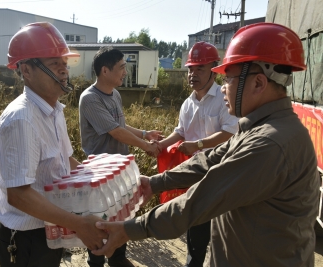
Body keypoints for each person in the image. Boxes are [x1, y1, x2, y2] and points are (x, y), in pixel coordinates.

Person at [92, 22, 320, 267]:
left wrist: (130, 229)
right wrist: (155, 183)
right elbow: (209, 159)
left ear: (258, 84)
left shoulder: (270, 143)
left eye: (229, 79)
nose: (223, 89)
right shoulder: (258, 128)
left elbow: (201, 199)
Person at [0, 22, 107, 267]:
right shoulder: (21, 120)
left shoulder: (53, 110)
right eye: (54, 63)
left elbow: (64, 160)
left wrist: (99, 179)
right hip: (26, 239)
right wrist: (78, 224)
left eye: (64, 63)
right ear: (27, 70)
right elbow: (20, 196)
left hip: (49, 228)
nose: (63, 70)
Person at [79, 47, 163, 267]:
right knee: (100, 222)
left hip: (119, 170)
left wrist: (145, 134)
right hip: (101, 173)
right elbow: (115, 131)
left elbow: (120, 125)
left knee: (122, 216)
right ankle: (96, 261)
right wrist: (145, 145)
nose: (126, 72)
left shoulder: (114, 94)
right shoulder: (89, 99)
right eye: (122, 67)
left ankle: (118, 259)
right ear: (105, 71)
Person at [157, 41, 238, 267]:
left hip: (221, 173)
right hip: (195, 175)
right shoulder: (187, 103)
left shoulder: (223, 98)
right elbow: (180, 131)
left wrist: (198, 144)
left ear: (214, 69)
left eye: (200, 69)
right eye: (191, 69)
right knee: (196, 227)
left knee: (222, 229)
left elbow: (230, 132)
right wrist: (160, 145)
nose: (193, 74)